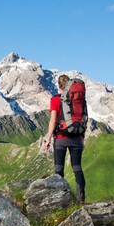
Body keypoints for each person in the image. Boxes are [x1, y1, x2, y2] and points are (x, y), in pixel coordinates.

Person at [43, 74, 86, 204]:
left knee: (59, 169)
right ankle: (81, 199)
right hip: (77, 138)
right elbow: (83, 119)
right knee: (77, 168)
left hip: (61, 138)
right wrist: (82, 140)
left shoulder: (55, 99)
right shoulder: (79, 100)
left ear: (58, 85)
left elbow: (53, 120)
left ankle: (61, 200)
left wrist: (48, 139)